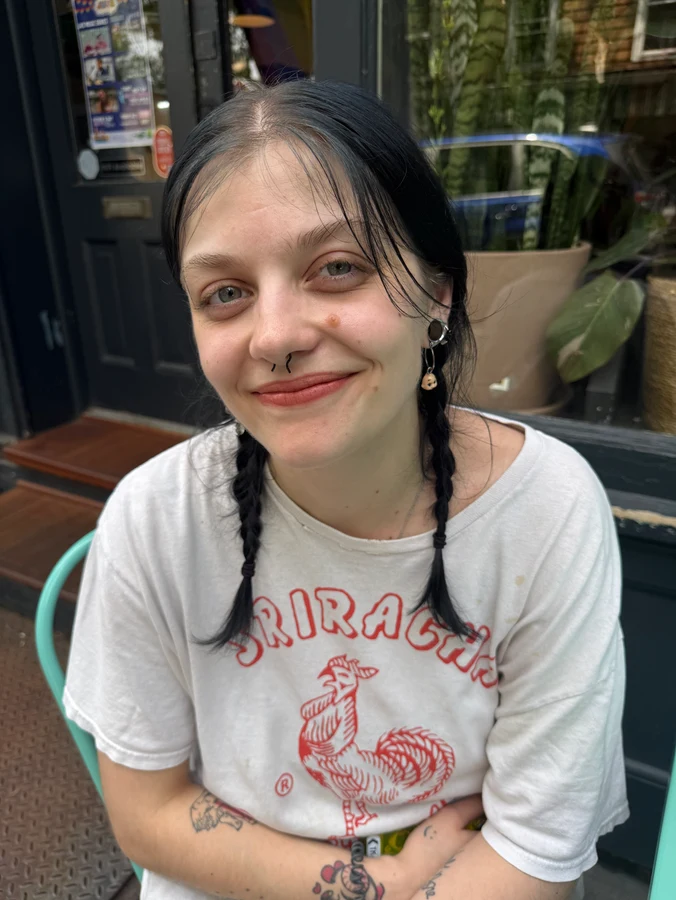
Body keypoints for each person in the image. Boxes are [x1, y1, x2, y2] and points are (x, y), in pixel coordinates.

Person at [64, 80, 629, 900]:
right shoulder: (156, 521)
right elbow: (146, 814)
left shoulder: (545, 513)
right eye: (225, 293)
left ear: (437, 294)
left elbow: (534, 852)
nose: (276, 336)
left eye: (337, 268)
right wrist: (383, 881)